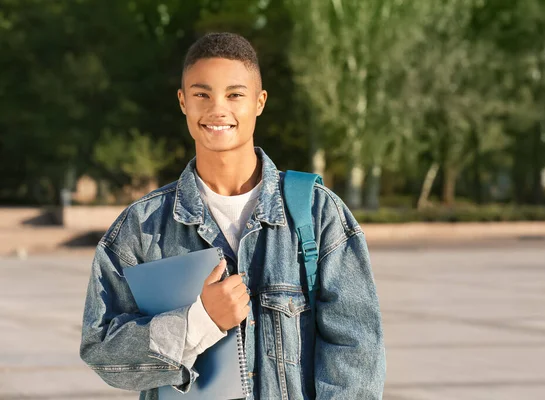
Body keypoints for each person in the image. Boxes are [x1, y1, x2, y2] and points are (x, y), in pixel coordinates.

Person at [80, 32, 385, 399]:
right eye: (201, 94)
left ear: (259, 102)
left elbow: (356, 352)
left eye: (235, 94)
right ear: (183, 102)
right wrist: (198, 322)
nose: (217, 109)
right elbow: (102, 351)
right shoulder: (141, 227)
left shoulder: (319, 214)